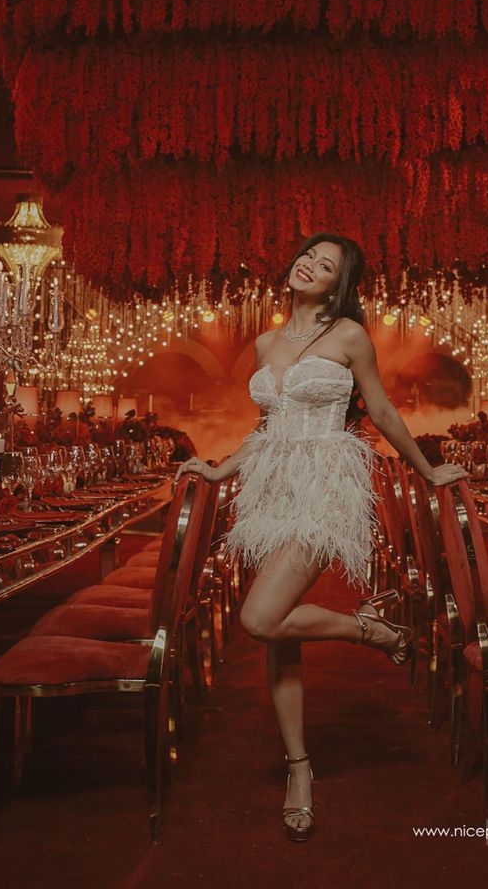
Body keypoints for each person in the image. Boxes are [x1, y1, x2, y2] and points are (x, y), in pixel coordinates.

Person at [175, 233, 468, 842]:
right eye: (307, 256)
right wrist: (218, 466)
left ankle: (367, 628)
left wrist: (429, 467)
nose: (309, 265)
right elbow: (267, 426)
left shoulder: (349, 336)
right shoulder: (265, 342)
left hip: (324, 484)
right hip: (270, 488)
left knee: (260, 618)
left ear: (338, 285)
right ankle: (298, 767)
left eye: (325, 264)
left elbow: (382, 412)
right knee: (277, 634)